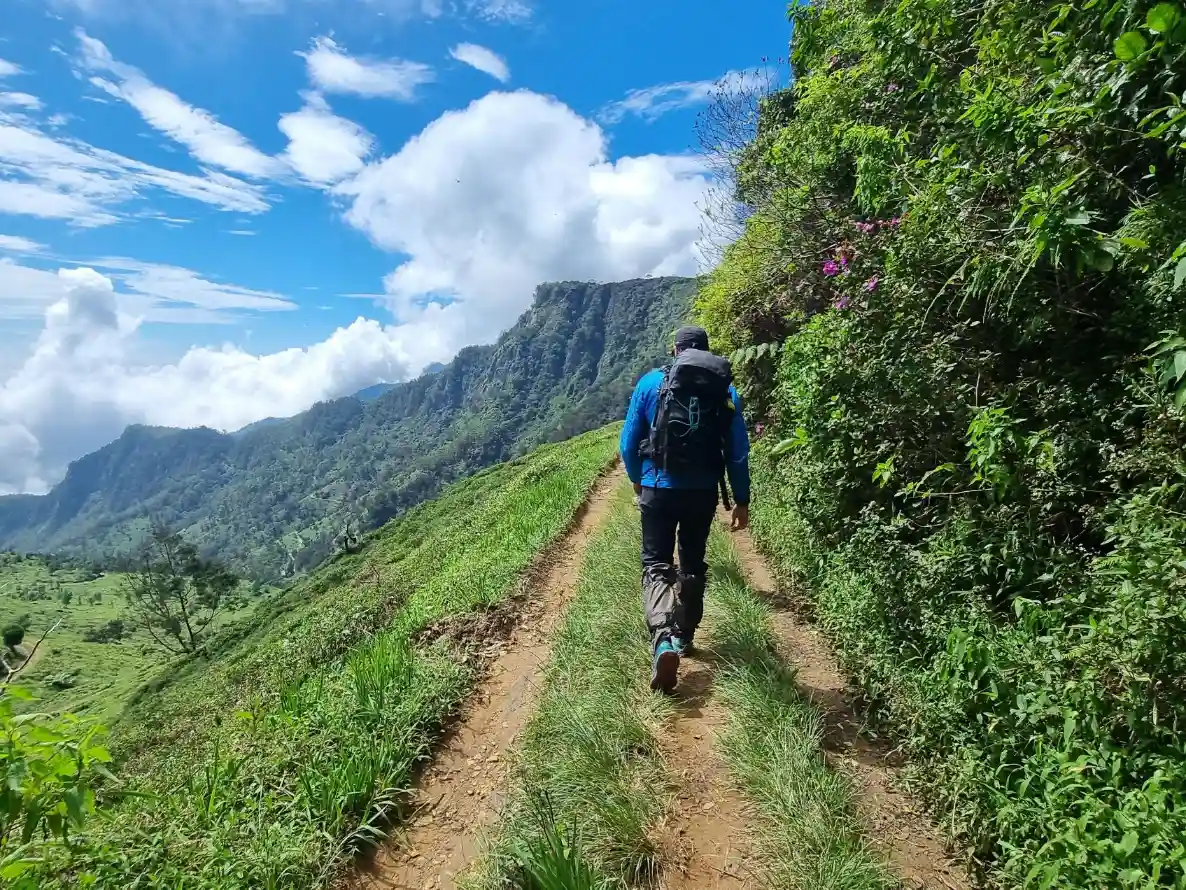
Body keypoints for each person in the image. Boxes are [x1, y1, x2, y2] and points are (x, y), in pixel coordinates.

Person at [619, 324, 751, 693]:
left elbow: (628, 444)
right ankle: (684, 635)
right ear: (706, 351)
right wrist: (741, 499)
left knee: (656, 564)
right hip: (702, 492)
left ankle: (662, 639)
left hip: (657, 489)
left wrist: (637, 479)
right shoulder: (725, 390)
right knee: (692, 563)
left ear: (675, 351)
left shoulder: (651, 383)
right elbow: (737, 452)